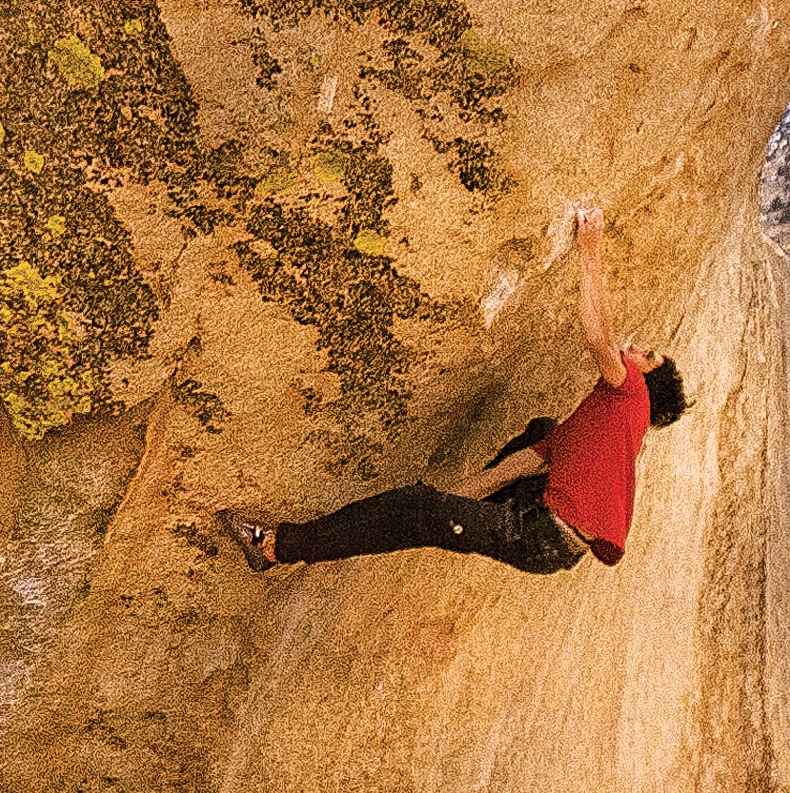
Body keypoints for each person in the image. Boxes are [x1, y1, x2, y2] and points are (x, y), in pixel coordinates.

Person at [214, 207, 682, 577]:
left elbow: (599, 335)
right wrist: (449, 504)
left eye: (648, 355)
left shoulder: (632, 398)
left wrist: (590, 248)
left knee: (414, 507)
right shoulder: (594, 429)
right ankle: (432, 512)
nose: (637, 348)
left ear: (645, 379)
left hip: (540, 534)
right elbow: (509, 469)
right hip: (545, 532)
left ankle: (275, 547)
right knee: (532, 436)